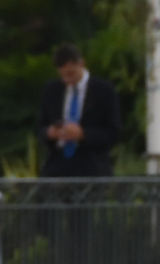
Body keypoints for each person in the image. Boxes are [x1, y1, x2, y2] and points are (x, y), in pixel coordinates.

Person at [39, 43, 121, 178]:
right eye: (63, 75)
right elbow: (40, 127)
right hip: (57, 166)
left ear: (81, 64)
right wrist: (50, 133)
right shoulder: (52, 90)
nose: (67, 80)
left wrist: (83, 134)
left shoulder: (104, 91)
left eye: (71, 74)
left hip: (92, 166)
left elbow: (114, 132)